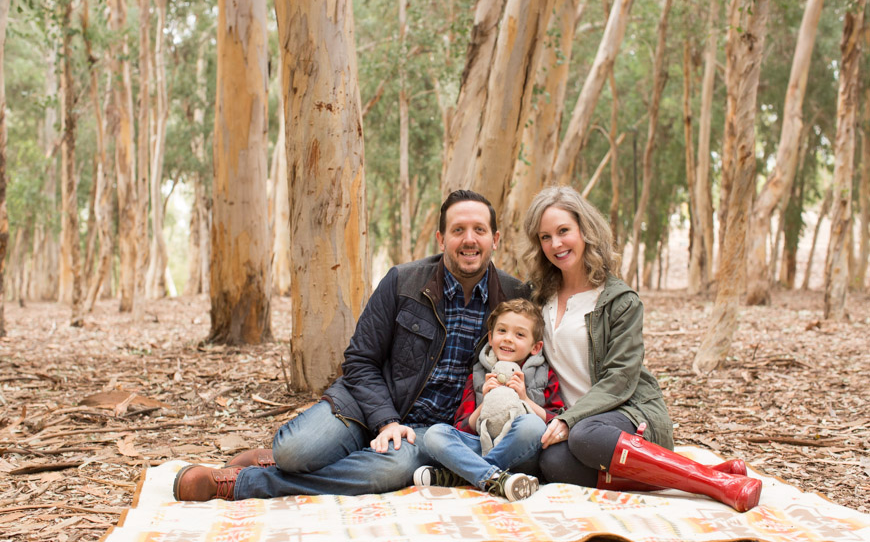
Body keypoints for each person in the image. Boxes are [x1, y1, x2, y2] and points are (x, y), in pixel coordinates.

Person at [173, 189, 530, 501]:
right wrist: (386, 421)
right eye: (458, 230)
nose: (469, 239)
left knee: (390, 470)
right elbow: (360, 360)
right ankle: (290, 456)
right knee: (294, 451)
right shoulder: (403, 282)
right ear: (441, 239)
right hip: (366, 408)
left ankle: (244, 484)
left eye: (479, 230)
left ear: (495, 239)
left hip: (434, 433)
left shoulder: (513, 298)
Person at [524, 186, 761, 513]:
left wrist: (570, 421)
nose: (556, 244)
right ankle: (704, 473)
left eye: (564, 231)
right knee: (552, 463)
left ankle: (719, 486)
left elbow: (620, 379)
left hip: (627, 412)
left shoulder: (620, 301)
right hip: (578, 426)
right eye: (545, 237)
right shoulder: (539, 297)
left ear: (585, 231)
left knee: (583, 435)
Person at [413, 299, 565, 501]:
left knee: (532, 425)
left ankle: (462, 475)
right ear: (491, 337)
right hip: (482, 443)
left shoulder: (544, 374)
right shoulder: (478, 374)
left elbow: (556, 422)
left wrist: (525, 399)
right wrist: (485, 402)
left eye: (519, 334)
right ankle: (494, 478)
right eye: (502, 331)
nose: (508, 339)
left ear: (535, 347)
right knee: (434, 434)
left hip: (523, 453)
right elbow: (462, 427)